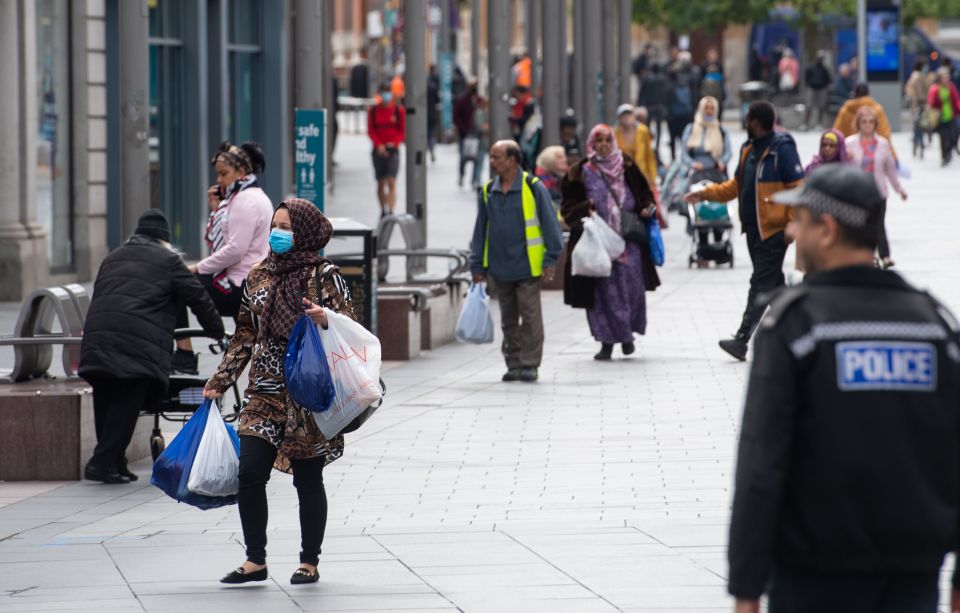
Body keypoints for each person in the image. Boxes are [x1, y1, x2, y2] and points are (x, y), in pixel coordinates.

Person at [728, 163, 960, 613]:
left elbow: (762, 463)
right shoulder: (934, 326)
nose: (792, 233)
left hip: (812, 580)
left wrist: (746, 588)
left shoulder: (796, 325)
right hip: (912, 578)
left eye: (802, 221)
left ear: (828, 229)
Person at [204, 199, 354, 585]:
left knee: (307, 478)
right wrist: (220, 380)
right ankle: (256, 559)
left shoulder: (325, 275)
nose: (278, 233)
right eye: (275, 224)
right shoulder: (258, 275)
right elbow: (244, 335)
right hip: (264, 391)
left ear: (303, 231)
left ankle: (309, 561)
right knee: (250, 471)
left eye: (286, 226)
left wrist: (326, 318)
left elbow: (352, 329)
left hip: (306, 394)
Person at [79, 210, 224, 484]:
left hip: (98, 341)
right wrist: (216, 331)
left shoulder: (113, 257)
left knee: (106, 399)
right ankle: (101, 462)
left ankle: (114, 463)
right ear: (164, 240)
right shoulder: (169, 260)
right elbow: (198, 298)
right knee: (126, 401)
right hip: (135, 345)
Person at [684, 101, 804, 361]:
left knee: (760, 282)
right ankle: (802, 327)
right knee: (773, 283)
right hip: (752, 230)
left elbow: (798, 186)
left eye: (748, 119)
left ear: (756, 123)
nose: (745, 123)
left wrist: (794, 222)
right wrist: (703, 193)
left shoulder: (781, 150)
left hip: (774, 230)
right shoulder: (748, 149)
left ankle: (741, 339)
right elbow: (734, 187)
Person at [561, 125, 661, 360]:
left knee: (631, 289)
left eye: (607, 140)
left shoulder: (626, 165)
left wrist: (647, 208)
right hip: (597, 242)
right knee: (602, 295)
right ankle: (607, 341)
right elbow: (567, 208)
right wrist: (585, 209)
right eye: (599, 141)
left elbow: (643, 193)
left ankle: (626, 335)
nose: (604, 145)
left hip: (628, 242)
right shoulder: (580, 171)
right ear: (591, 144)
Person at [172, 141, 272, 374]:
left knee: (177, 286)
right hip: (247, 282)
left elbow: (233, 250)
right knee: (250, 351)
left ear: (241, 172)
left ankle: (186, 352)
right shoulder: (251, 197)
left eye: (224, 174)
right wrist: (217, 208)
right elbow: (223, 244)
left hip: (238, 285)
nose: (219, 179)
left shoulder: (244, 202)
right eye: (217, 174)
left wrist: (196, 268)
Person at [469, 140, 564, 383]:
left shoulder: (533, 187)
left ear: (512, 160)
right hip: (500, 268)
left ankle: (530, 364)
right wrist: (477, 264)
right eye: (491, 157)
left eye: (497, 157)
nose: (492, 162)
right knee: (508, 319)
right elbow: (481, 230)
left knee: (530, 317)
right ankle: (513, 362)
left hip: (528, 267)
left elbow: (550, 224)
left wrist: (550, 259)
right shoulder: (488, 191)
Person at [845, 106, 907, 269]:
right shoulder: (849, 143)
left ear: (875, 124)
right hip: (857, 192)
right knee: (860, 225)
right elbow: (843, 168)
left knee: (878, 223)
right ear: (858, 123)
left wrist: (899, 189)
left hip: (878, 191)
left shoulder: (883, 144)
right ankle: (867, 256)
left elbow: (890, 170)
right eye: (864, 122)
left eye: (871, 122)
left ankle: (884, 256)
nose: (867, 125)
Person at [367, 82, 406, 217]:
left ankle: (390, 210)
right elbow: (371, 130)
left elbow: (402, 131)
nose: (386, 96)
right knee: (380, 182)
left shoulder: (398, 110)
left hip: (392, 150)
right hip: (378, 150)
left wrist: (393, 143)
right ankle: (383, 209)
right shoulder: (373, 111)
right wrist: (379, 145)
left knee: (391, 181)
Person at [680, 96, 732, 183]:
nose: (709, 111)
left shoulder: (721, 130)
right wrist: (692, 163)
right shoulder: (691, 129)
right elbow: (684, 154)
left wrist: (722, 162)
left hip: (715, 172)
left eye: (712, 108)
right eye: (706, 108)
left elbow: (728, 152)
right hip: (695, 172)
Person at [613, 104, 658, 190]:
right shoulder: (615, 133)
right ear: (619, 118)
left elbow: (649, 155)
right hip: (622, 175)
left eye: (629, 114)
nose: (627, 117)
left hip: (641, 173)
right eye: (624, 115)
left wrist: (653, 177)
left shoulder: (643, 131)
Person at [667, 51, 699, 161]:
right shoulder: (692, 73)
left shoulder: (672, 73)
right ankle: (683, 157)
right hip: (685, 112)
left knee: (675, 137)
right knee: (684, 136)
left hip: (676, 112)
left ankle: (675, 157)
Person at [928, 66, 960, 167]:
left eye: (947, 76)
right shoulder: (935, 88)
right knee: (943, 138)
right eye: (945, 76)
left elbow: (956, 99)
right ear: (940, 77)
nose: (947, 78)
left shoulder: (951, 86)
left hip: (951, 115)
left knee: (953, 136)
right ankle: (944, 156)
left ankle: (950, 151)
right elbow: (932, 103)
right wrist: (938, 99)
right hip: (940, 117)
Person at [639, 63, 671, 153]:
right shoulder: (663, 79)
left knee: (647, 128)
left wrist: (641, 105)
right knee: (658, 128)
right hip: (659, 107)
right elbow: (667, 93)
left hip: (649, 107)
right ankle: (657, 147)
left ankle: (648, 146)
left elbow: (642, 93)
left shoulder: (647, 78)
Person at [905, 58, 933, 159]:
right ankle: (919, 145)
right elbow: (922, 92)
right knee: (920, 126)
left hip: (918, 105)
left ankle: (918, 145)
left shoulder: (918, 76)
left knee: (919, 126)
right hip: (919, 105)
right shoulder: (918, 77)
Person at [454, 81, 480, 187]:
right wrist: (462, 129)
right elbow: (456, 117)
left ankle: (474, 179)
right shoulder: (462, 101)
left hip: (476, 133)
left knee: (477, 158)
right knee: (463, 157)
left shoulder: (478, 101)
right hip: (464, 134)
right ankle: (462, 175)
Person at [803, 51, 832, 130]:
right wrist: (809, 84)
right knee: (809, 106)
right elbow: (806, 77)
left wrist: (825, 86)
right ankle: (805, 124)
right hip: (812, 89)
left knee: (821, 107)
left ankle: (819, 124)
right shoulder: (810, 67)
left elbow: (828, 79)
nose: (820, 60)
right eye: (819, 58)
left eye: (821, 58)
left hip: (822, 89)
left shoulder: (825, 69)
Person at [699, 48, 726, 121]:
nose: (712, 56)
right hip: (706, 95)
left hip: (718, 95)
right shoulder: (703, 66)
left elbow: (723, 81)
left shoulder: (719, 65)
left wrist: (723, 94)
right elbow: (700, 82)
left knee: (717, 114)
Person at [427, 64, 440, 163]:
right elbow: (437, 100)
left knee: (425, 134)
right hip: (432, 114)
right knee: (431, 134)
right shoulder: (434, 86)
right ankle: (431, 150)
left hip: (424, 115)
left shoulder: (424, 86)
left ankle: (427, 150)